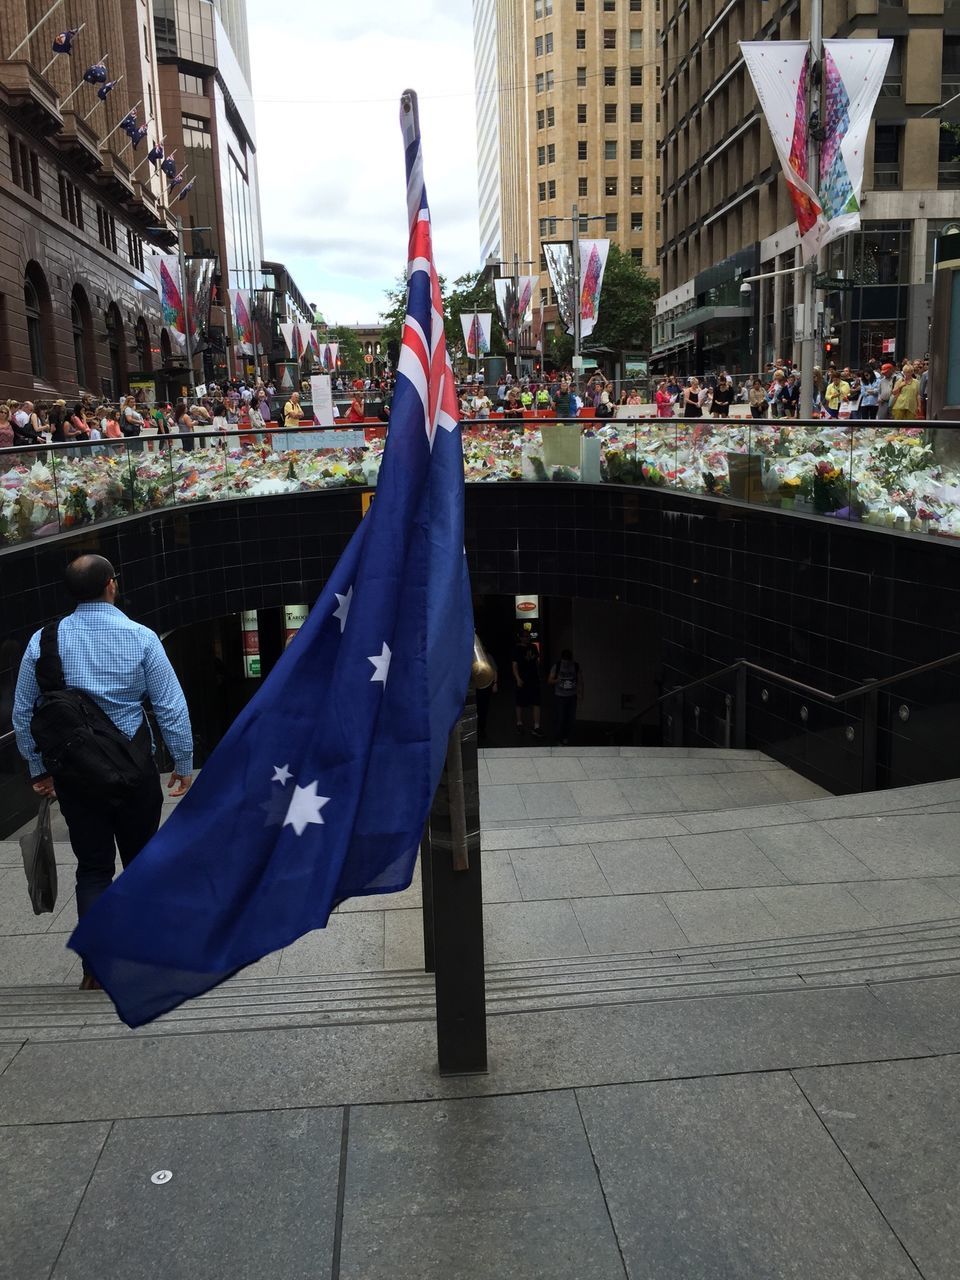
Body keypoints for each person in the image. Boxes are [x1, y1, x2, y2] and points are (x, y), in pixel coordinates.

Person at [12, 555, 193, 991]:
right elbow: (170, 706)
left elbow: (24, 713)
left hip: (76, 776)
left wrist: (38, 767)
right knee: (140, 865)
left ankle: (96, 968)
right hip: (134, 770)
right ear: (112, 585)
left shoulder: (43, 641)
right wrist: (183, 763)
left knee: (93, 869)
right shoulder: (141, 637)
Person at [548, 648, 583, 746]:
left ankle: (565, 737)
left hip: (572, 696)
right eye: (565, 661)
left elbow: (580, 680)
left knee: (571, 719)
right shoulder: (557, 666)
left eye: (568, 661)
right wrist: (557, 680)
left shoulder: (575, 666)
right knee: (560, 718)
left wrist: (580, 693)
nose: (566, 663)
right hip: (560, 696)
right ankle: (558, 739)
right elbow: (549, 680)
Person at [511, 632, 542, 736]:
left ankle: (537, 726)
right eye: (524, 636)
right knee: (520, 702)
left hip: (533, 678)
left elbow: (536, 662)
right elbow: (514, 665)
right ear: (520, 637)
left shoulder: (533, 647)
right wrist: (518, 678)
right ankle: (519, 723)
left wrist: (538, 674)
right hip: (522, 679)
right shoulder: (517, 649)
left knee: (536, 702)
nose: (526, 638)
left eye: (528, 636)